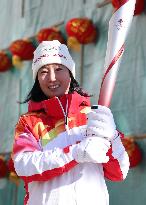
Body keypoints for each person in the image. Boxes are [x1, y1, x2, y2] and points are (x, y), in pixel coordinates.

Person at [12, 40, 129, 205]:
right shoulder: (30, 122)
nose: (52, 78)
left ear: (70, 73)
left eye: (59, 69)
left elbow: (119, 172)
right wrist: (75, 153)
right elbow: (24, 165)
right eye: (43, 72)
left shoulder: (93, 116)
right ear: (37, 79)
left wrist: (113, 139)